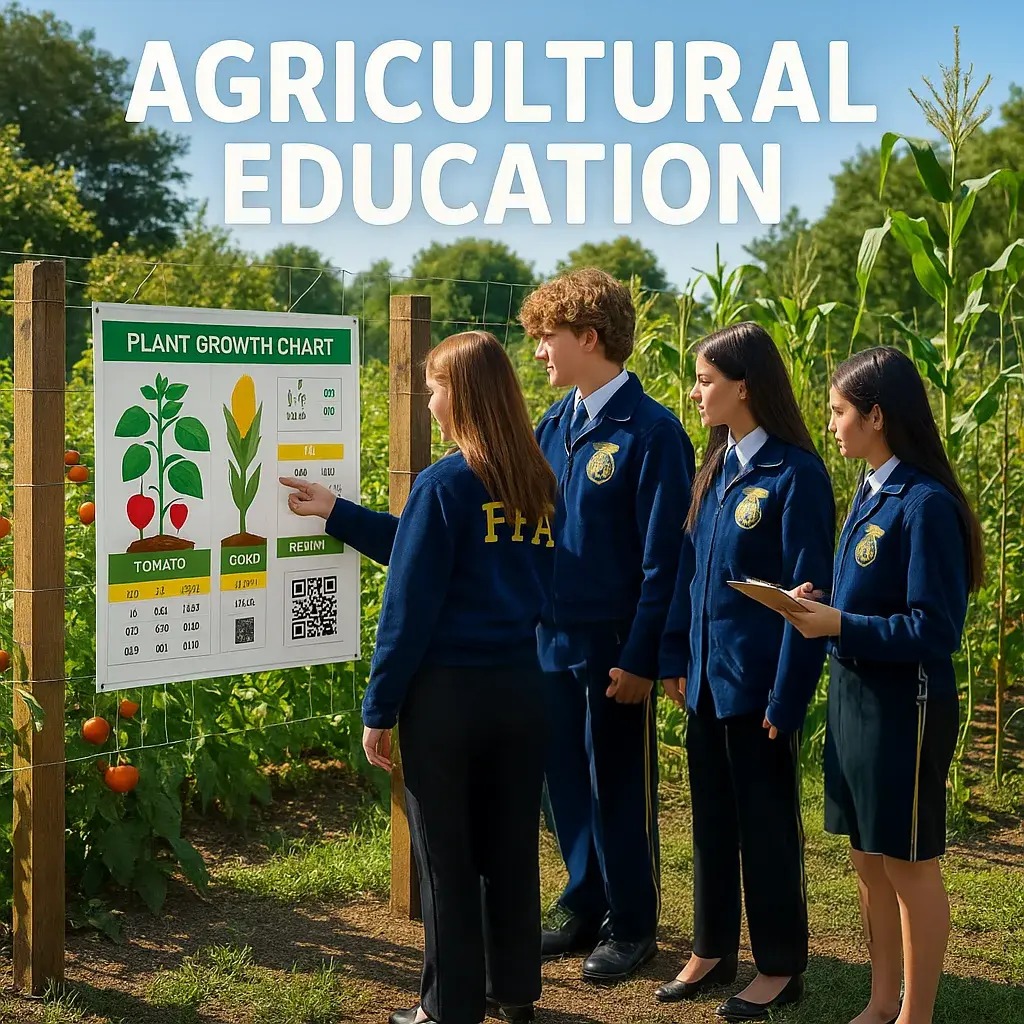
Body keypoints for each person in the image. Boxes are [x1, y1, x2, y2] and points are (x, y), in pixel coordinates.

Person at [282, 331, 556, 1024]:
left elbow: (409, 607)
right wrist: (336, 512)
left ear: (458, 395)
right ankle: (515, 991)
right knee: (511, 847)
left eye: (433, 389)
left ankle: (448, 1007)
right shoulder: (537, 480)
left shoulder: (445, 484)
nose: (428, 401)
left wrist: (380, 707)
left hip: (450, 699)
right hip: (524, 690)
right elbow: (426, 550)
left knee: (446, 857)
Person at [780, 347, 982, 1024]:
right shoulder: (871, 489)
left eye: (839, 411)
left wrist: (841, 622)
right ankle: (878, 998)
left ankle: (914, 1014)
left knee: (908, 862)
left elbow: (934, 629)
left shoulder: (925, 504)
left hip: (907, 706)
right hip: (854, 697)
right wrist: (823, 603)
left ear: (876, 415)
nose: (830, 422)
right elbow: (875, 598)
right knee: (867, 858)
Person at [519, 267, 695, 983]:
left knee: (617, 785)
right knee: (565, 783)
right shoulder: (555, 423)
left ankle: (632, 924)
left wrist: (644, 654)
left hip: (614, 647)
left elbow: (666, 559)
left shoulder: (653, 434)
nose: (538, 353)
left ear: (589, 339)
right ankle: (582, 906)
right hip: (550, 638)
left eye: (547, 339)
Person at [655, 322, 835, 1022]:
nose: (696, 392)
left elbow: (807, 600)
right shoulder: (714, 468)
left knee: (766, 829)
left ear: (745, 386)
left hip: (759, 690)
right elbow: (688, 573)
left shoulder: (796, 475)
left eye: (705, 381)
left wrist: (788, 698)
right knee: (710, 824)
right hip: (704, 682)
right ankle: (711, 949)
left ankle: (781, 966)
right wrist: (675, 656)